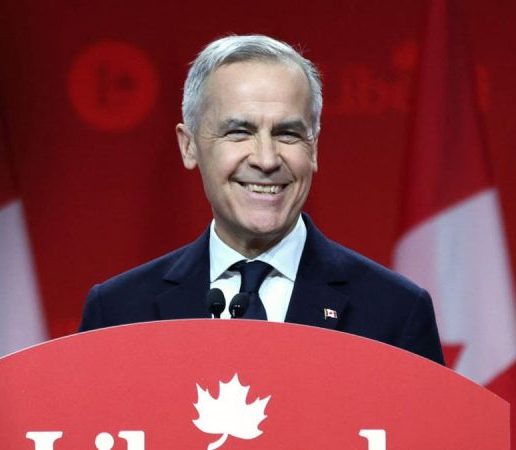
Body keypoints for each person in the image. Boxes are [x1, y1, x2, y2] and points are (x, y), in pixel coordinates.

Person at [79, 34, 445, 365]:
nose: (267, 160)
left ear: (313, 149)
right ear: (188, 146)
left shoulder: (395, 313)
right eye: (239, 132)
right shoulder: (118, 312)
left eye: (288, 134)